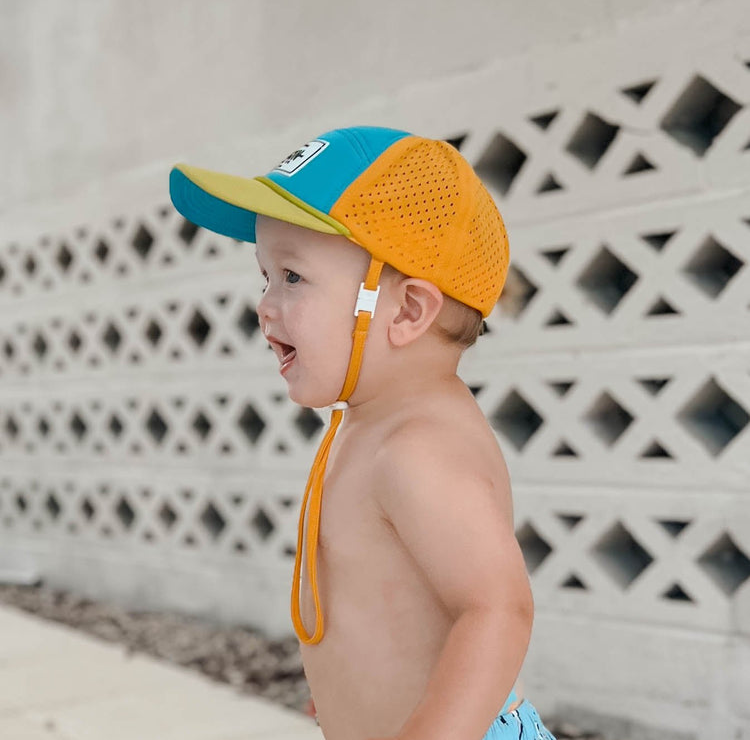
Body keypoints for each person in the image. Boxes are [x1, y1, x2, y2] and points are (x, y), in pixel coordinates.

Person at [169, 126, 557, 740]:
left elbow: (498, 610)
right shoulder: (371, 420)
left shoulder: (418, 448)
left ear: (407, 311)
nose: (264, 305)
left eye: (293, 277)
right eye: (265, 276)